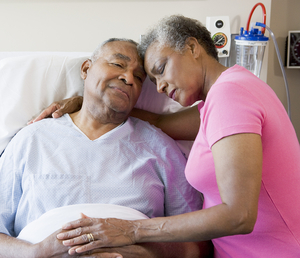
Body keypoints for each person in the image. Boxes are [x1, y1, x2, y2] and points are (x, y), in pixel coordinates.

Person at [37, 15, 300, 257]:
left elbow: (238, 214)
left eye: (161, 69)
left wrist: (132, 230)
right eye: (151, 81)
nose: (160, 87)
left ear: (193, 48)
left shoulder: (231, 96)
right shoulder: (219, 101)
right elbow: (160, 121)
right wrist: (88, 102)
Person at [0, 38, 211, 258]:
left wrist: (147, 253)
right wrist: (36, 252)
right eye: (118, 65)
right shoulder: (31, 140)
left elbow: (199, 243)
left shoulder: (161, 148)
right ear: (86, 68)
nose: (128, 78)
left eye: (138, 77)